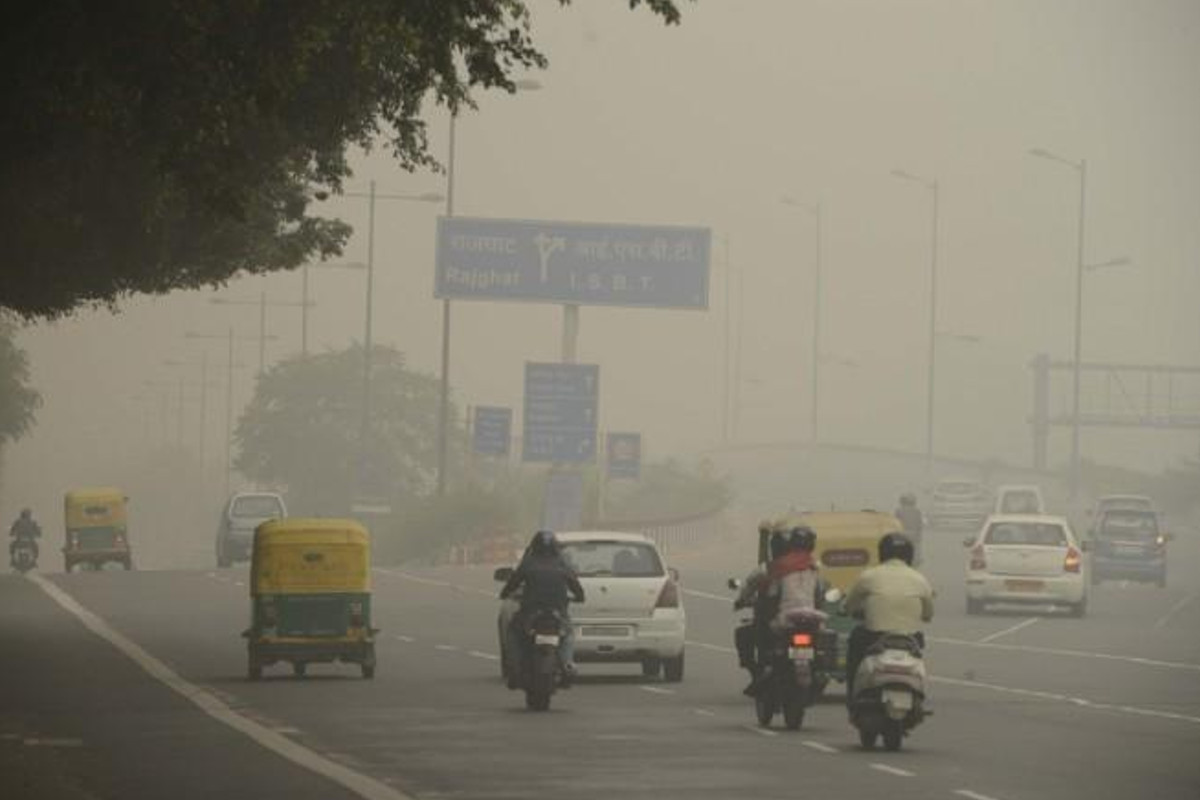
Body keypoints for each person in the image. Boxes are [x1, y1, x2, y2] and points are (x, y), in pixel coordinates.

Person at [843, 532, 934, 705]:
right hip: (910, 639)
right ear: (910, 555)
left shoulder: (869, 576)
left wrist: (849, 610)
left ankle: (852, 696)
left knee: (855, 639)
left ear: (882, 553)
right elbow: (928, 614)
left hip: (874, 638)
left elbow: (849, 605)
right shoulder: (920, 579)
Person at [734, 525, 822, 695]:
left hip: (784, 619)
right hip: (810, 619)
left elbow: (767, 592)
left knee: (748, 634)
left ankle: (760, 671)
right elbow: (820, 593)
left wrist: (743, 601)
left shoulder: (775, 567)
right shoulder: (814, 566)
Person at [499, 530, 585, 687]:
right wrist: (579, 598)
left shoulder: (528, 563)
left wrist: (504, 593)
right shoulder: (562, 563)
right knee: (568, 634)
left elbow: (512, 583)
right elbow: (577, 587)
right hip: (557, 613)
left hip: (531, 613)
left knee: (513, 631)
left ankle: (515, 667)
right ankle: (567, 664)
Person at [894, 493, 923, 562]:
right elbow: (919, 525)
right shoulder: (917, 511)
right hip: (913, 534)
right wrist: (919, 535)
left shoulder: (899, 511)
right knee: (915, 550)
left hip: (902, 534)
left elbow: (895, 524)